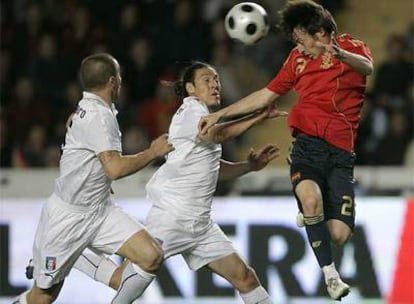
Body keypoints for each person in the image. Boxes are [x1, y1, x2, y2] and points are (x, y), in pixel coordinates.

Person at [66, 61, 285, 303]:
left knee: (246, 278)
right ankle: (70, 254)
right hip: (171, 218)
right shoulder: (192, 111)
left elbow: (214, 171)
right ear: (190, 89)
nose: (215, 84)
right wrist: (258, 116)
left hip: (201, 226)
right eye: (207, 80)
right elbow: (216, 133)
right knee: (121, 278)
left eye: (217, 80)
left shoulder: (203, 115)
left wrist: (249, 166)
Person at [198, 0, 374, 301]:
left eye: (301, 38)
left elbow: (367, 67)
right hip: (307, 147)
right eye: (295, 41)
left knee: (339, 235)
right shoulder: (296, 60)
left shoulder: (352, 47)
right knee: (310, 199)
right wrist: (221, 114)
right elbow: (266, 94)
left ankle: (311, 216)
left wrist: (340, 55)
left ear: (320, 33)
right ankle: (330, 275)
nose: (299, 46)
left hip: (342, 156)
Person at [14, 53, 174, 304]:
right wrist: (153, 152)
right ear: (113, 81)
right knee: (42, 298)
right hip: (68, 220)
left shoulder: (91, 109)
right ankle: (72, 254)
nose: (121, 81)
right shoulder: (99, 116)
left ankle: (78, 256)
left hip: (99, 211)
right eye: (119, 76)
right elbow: (114, 169)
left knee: (150, 255)